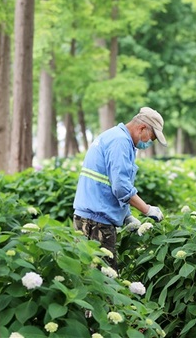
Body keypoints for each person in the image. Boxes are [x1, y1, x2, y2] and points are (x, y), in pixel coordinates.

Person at [73, 107, 167, 272]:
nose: (149, 143)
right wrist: (147, 210)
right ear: (142, 128)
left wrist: (126, 216)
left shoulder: (115, 136)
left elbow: (110, 181)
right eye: (151, 138)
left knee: (88, 274)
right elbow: (121, 187)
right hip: (96, 223)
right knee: (105, 280)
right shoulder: (120, 142)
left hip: (91, 218)